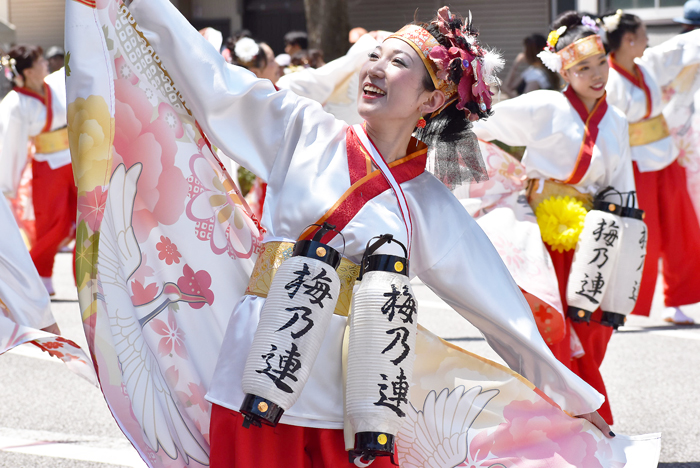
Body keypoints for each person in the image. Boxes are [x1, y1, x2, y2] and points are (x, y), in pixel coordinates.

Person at [122, 2, 619, 465]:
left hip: (352, 397)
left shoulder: (428, 203)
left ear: (433, 98)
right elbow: (212, 81)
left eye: (397, 62)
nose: (375, 68)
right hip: (259, 372)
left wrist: (569, 398)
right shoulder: (301, 130)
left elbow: (498, 308)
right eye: (374, 56)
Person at [454, 12, 637, 426]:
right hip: (538, 234)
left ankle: (569, 422)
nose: (596, 75)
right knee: (552, 332)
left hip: (592, 236)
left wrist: (627, 236)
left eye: (601, 64)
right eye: (582, 68)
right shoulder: (546, 105)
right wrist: (503, 174)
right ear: (564, 70)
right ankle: (573, 423)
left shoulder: (618, 119)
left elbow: (622, 184)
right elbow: (481, 125)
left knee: (591, 332)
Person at [603, 10, 700, 324]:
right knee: (642, 235)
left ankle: (677, 302)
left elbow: (681, 50)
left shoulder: (646, 66)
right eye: (644, 35)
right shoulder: (607, 77)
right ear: (629, 40)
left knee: (682, 229)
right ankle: (623, 303)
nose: (648, 40)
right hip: (633, 163)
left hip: (666, 158)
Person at [0, 45, 75, 296]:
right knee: (54, 224)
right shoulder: (14, 103)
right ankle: (41, 276)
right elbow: (12, 147)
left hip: (76, 160)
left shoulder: (57, 83)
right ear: (29, 71)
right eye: (41, 62)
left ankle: (91, 276)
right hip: (47, 166)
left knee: (90, 219)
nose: (46, 64)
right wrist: (8, 187)